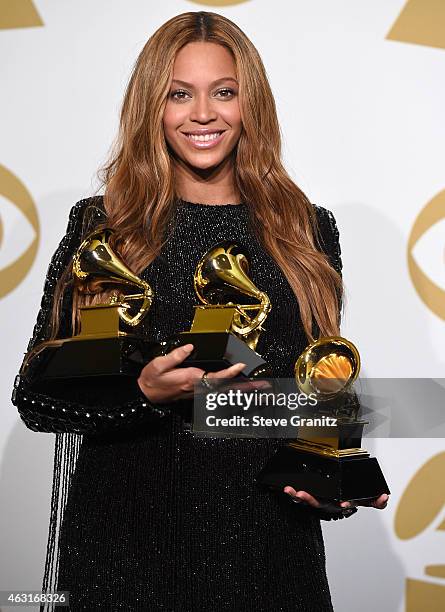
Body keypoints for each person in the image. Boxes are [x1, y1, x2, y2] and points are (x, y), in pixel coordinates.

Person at [12, 11, 388, 612]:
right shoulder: (106, 228)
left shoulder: (305, 230)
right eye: (179, 94)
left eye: (224, 92)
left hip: (270, 554)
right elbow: (38, 396)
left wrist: (331, 477)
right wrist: (142, 390)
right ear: (151, 107)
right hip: (124, 554)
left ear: (251, 105)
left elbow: (319, 386)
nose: (204, 114)